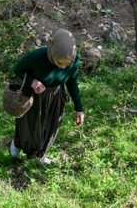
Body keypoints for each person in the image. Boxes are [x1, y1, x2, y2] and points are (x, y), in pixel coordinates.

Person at [9, 29, 85, 164]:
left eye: (66, 64)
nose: (63, 67)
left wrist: (79, 108)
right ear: (53, 50)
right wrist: (33, 81)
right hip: (33, 96)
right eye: (59, 62)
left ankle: (40, 154)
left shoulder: (74, 61)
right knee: (28, 124)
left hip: (55, 98)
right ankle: (17, 143)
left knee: (49, 127)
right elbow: (18, 70)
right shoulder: (37, 56)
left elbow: (72, 83)